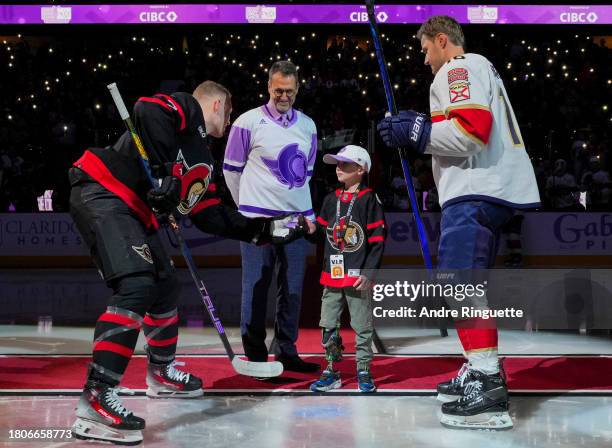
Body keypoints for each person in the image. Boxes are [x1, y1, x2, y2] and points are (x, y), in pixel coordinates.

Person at [69, 81, 305, 445]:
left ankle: (161, 372)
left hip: (135, 213)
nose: (228, 120)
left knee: (164, 287)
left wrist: (262, 230)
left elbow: (209, 215)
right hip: (104, 191)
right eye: (228, 111)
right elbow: (146, 108)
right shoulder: (185, 109)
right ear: (215, 105)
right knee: (137, 286)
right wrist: (164, 171)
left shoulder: (204, 160)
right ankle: (96, 396)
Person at [377, 15, 541, 430]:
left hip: (474, 190)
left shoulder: (459, 67)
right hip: (487, 188)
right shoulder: (477, 68)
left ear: (441, 40)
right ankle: (481, 367)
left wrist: (416, 133)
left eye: (426, 50)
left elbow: (472, 131)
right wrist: (421, 131)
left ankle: (487, 384)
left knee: (458, 283)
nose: (426, 60)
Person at [223, 61, 319, 373]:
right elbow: (230, 170)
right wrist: (247, 209)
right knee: (256, 287)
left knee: (291, 290)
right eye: (278, 90)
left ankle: (287, 351)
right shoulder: (246, 122)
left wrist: (308, 214)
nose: (283, 96)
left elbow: (306, 176)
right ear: (268, 87)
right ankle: (255, 356)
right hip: (257, 224)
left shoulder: (308, 126)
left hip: (294, 222)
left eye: (289, 91)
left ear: (297, 89)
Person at [305, 145, 386, 393]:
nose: (338, 168)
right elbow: (320, 233)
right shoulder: (331, 199)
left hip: (357, 277)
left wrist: (369, 272)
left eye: (345, 164)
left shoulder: (369, 199)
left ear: (361, 169)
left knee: (362, 326)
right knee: (328, 323)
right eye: (337, 164)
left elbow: (377, 240)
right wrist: (307, 229)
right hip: (332, 275)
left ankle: (363, 369)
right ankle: (331, 369)